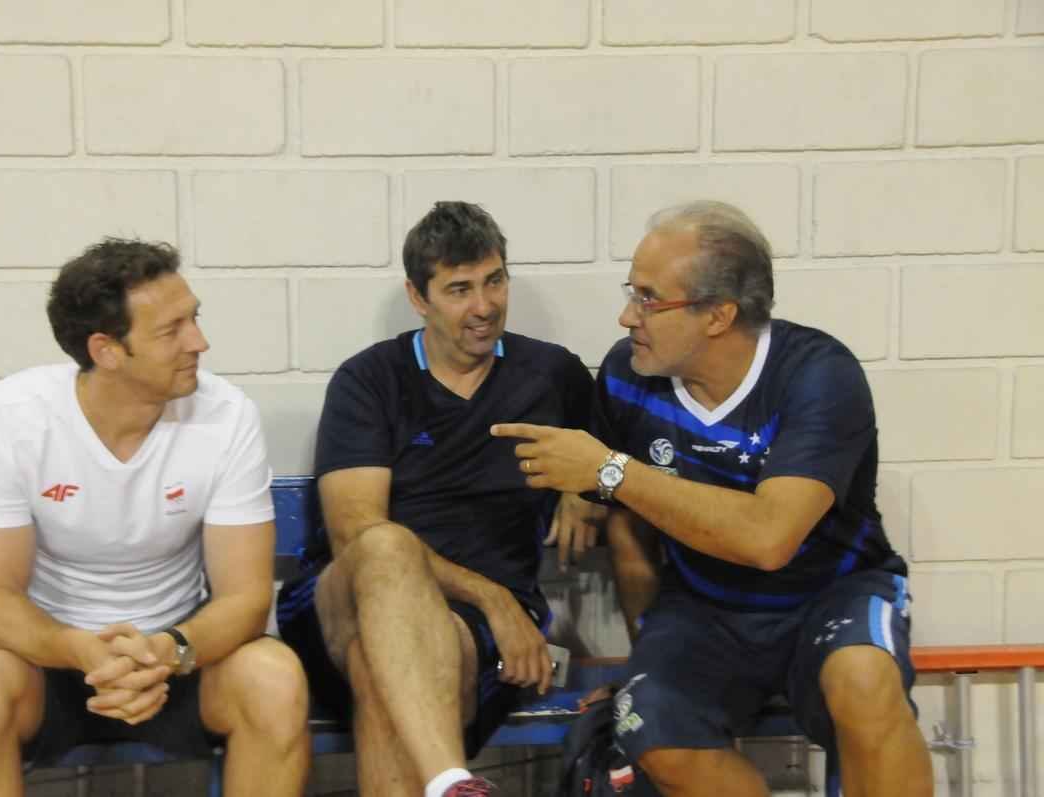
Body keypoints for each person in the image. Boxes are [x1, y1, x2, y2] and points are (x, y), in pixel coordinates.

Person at [492, 201, 933, 797]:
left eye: (649, 298)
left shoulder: (818, 376)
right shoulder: (626, 376)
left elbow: (769, 538)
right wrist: (648, 644)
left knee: (866, 682)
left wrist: (612, 471)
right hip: (702, 603)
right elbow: (629, 533)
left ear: (719, 315)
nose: (627, 316)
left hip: (831, 592)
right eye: (632, 291)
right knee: (652, 727)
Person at [0, 239, 310, 796]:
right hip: (48, 655)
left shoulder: (226, 416)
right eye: (170, 330)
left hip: (179, 652)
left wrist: (167, 651)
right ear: (106, 350)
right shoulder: (6, 417)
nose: (198, 342)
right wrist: (83, 651)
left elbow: (246, 599)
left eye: (193, 319)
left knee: (274, 678)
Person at [276, 201, 596, 797]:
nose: (484, 306)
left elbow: (618, 461)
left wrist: (590, 492)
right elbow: (355, 535)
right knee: (388, 546)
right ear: (418, 297)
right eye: (459, 289)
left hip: (474, 635)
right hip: (339, 604)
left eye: (495, 280)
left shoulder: (552, 376)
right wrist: (494, 599)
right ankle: (451, 777)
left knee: (388, 668)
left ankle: (448, 785)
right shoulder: (370, 381)